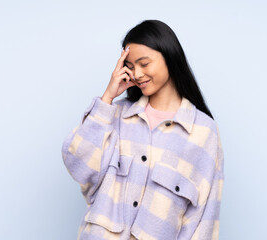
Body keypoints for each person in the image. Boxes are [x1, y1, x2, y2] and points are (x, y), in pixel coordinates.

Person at [61, 19, 225, 240]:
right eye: (130, 66)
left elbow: (203, 221)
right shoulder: (114, 115)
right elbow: (78, 165)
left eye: (144, 64)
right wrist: (107, 97)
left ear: (170, 57)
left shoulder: (203, 133)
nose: (137, 74)